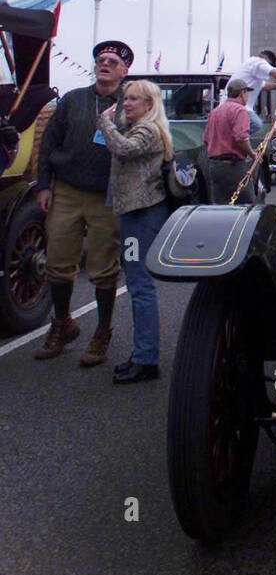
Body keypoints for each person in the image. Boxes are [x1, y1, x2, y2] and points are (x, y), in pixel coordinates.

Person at [33, 40, 132, 365]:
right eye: (101, 59)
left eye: (113, 61)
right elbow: (48, 142)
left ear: (124, 70)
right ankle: (62, 325)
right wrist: (44, 185)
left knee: (103, 268)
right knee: (57, 263)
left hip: (108, 195)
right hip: (67, 191)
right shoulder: (74, 100)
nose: (105, 64)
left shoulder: (132, 104)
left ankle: (102, 332)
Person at [98, 80, 172, 384]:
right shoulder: (140, 127)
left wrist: (105, 122)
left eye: (133, 100)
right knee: (136, 283)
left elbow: (124, 149)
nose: (126, 104)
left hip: (142, 214)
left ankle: (146, 359)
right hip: (134, 213)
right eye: (125, 98)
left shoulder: (148, 131)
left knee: (140, 286)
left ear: (149, 104)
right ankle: (142, 354)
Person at [205, 74, 256, 204]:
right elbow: (241, 138)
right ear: (242, 93)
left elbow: (206, 139)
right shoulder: (240, 110)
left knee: (221, 206)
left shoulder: (216, 111)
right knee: (246, 205)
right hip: (233, 166)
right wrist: (253, 154)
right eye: (247, 93)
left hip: (214, 166)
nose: (247, 97)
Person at [227, 49, 276, 131]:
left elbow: (265, 86)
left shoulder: (253, 70)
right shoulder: (258, 61)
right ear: (265, 58)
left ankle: (234, 138)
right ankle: (235, 139)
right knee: (255, 123)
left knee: (251, 124)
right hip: (238, 106)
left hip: (236, 106)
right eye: (269, 65)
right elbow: (273, 72)